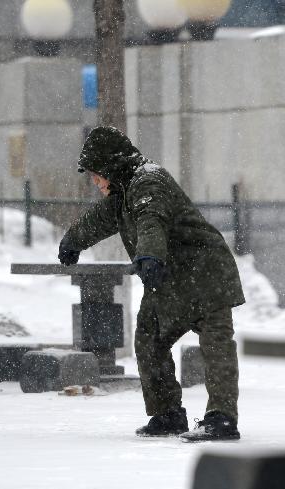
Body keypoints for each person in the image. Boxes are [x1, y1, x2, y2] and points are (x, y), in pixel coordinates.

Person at [58, 126, 245, 442]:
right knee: (149, 340)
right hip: (170, 280)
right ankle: (168, 414)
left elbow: (151, 220)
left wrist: (149, 256)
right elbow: (100, 219)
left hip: (205, 274)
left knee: (216, 344)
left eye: (96, 174)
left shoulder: (148, 182)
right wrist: (73, 240)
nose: (94, 182)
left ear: (111, 166)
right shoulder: (124, 191)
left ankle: (222, 418)